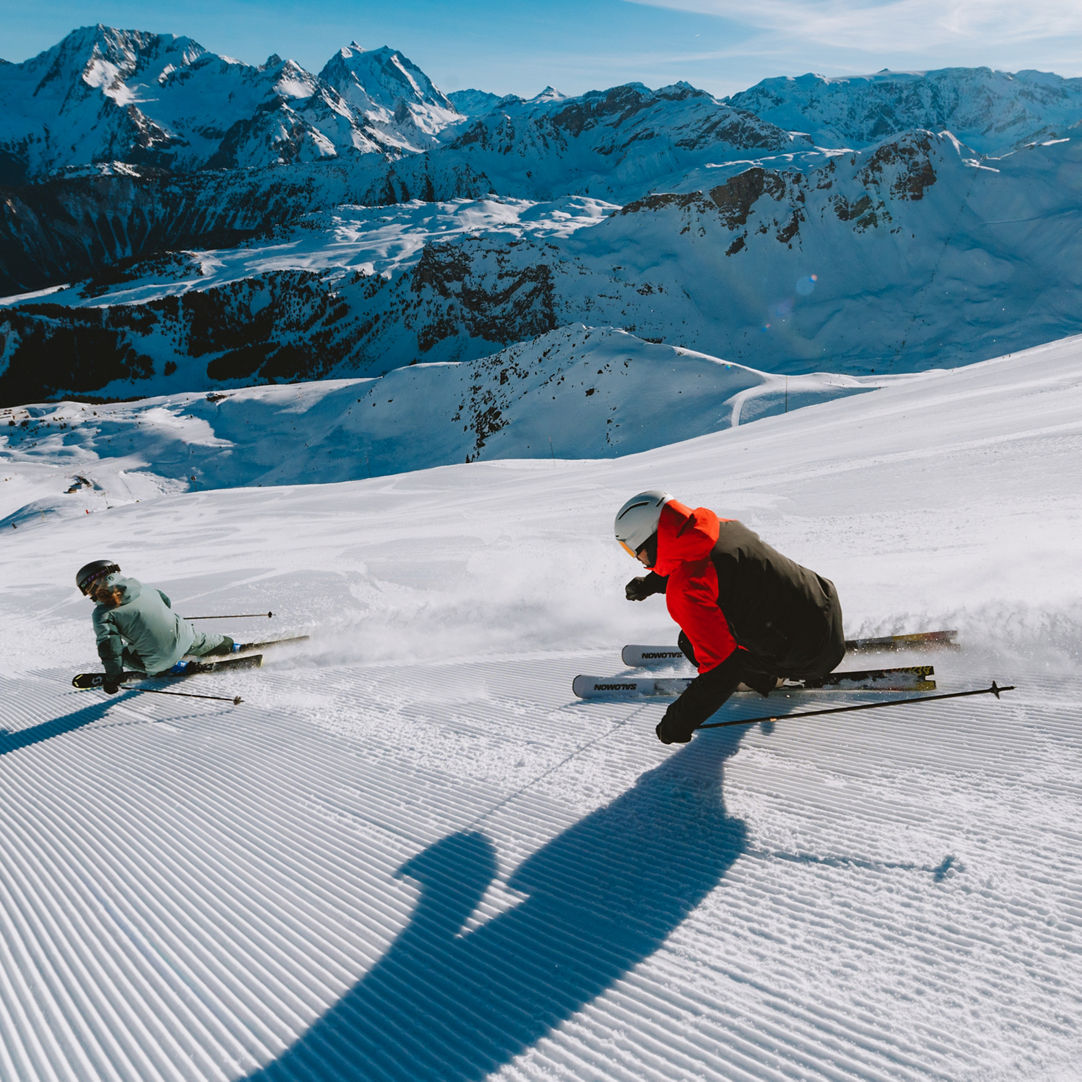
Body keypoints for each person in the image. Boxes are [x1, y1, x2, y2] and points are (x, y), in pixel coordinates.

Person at [614, 491, 845, 744]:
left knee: (689, 642)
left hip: (811, 658)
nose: (638, 558)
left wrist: (676, 723)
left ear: (650, 540)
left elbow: (722, 672)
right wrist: (651, 583)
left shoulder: (686, 589)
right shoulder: (721, 526)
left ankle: (772, 678)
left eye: (634, 549)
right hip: (825, 604)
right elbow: (709, 564)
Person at [76, 560, 237, 693]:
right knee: (210, 640)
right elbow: (166, 602)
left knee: (124, 652)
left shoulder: (103, 613)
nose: (90, 596)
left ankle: (171, 667)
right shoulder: (141, 586)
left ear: (92, 586)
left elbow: (111, 650)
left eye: (88, 591)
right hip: (186, 635)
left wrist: (113, 678)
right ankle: (231, 646)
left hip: (161, 658)